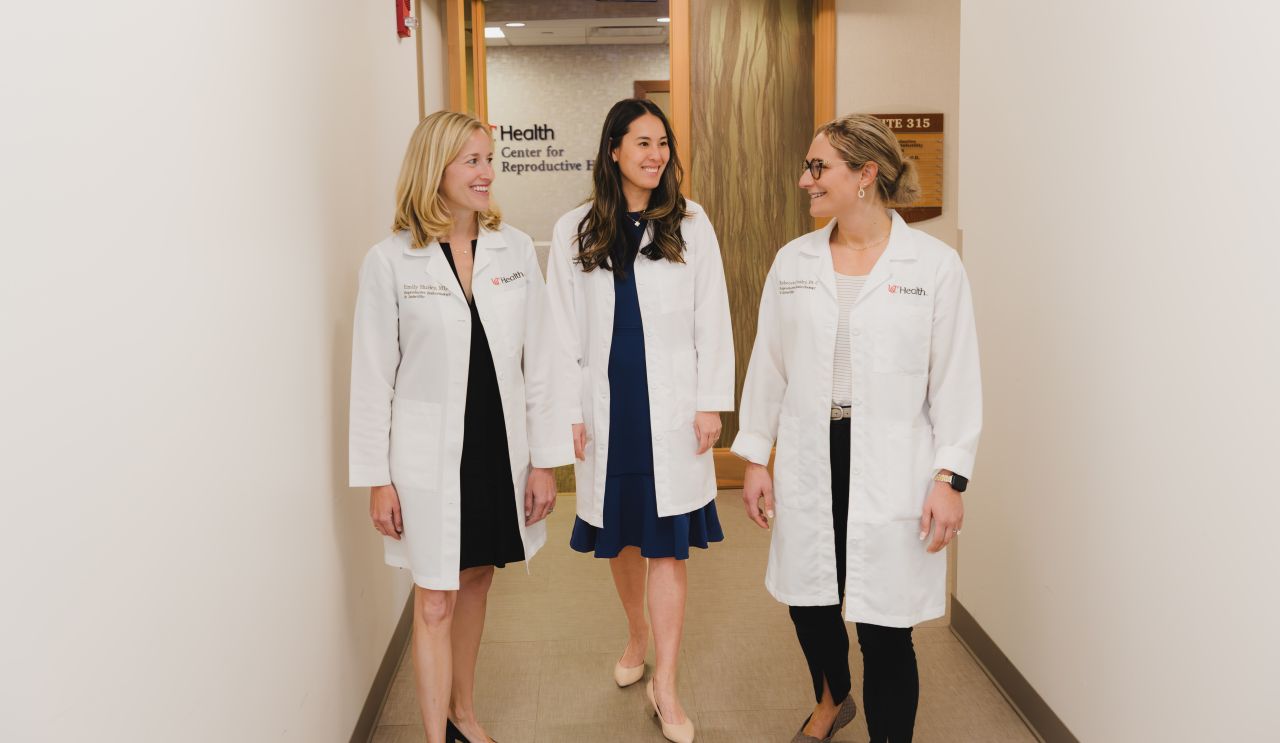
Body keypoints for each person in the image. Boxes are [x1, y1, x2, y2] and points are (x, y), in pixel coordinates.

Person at [731, 114, 982, 743]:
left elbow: (955, 378)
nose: (803, 180)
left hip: (894, 462)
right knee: (809, 601)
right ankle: (833, 697)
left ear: (865, 175)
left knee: (884, 624)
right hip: (813, 453)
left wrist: (950, 478)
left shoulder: (933, 265)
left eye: (819, 168)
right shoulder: (794, 262)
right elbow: (769, 364)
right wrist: (756, 457)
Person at [349, 111, 571, 743]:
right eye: (471, 161)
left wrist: (545, 463)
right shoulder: (391, 261)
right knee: (435, 595)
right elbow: (372, 378)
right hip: (422, 459)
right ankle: (432, 733)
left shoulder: (516, 250)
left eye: (487, 159)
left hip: (498, 449)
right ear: (434, 170)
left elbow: (543, 363)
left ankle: (463, 713)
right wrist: (377, 479)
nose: (486, 172)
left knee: (475, 579)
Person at [544, 98, 734, 743]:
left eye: (664, 144)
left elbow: (714, 315)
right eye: (643, 142)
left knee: (668, 546)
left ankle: (668, 685)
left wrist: (710, 400)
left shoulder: (691, 223)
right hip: (609, 410)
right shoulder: (575, 229)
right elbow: (559, 336)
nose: (656, 155)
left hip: (673, 407)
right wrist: (567, 411)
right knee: (621, 536)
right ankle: (635, 635)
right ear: (614, 150)